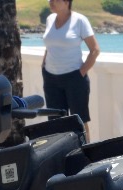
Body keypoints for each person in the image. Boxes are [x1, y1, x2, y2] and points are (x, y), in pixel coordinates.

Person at [42, 0, 99, 139]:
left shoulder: (79, 20)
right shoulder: (50, 19)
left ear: (67, 2)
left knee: (79, 121)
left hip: (74, 78)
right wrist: (43, 65)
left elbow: (95, 50)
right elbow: (50, 46)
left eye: (55, 0)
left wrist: (81, 72)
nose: (51, 2)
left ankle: (85, 151)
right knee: (55, 122)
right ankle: (62, 152)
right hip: (51, 78)